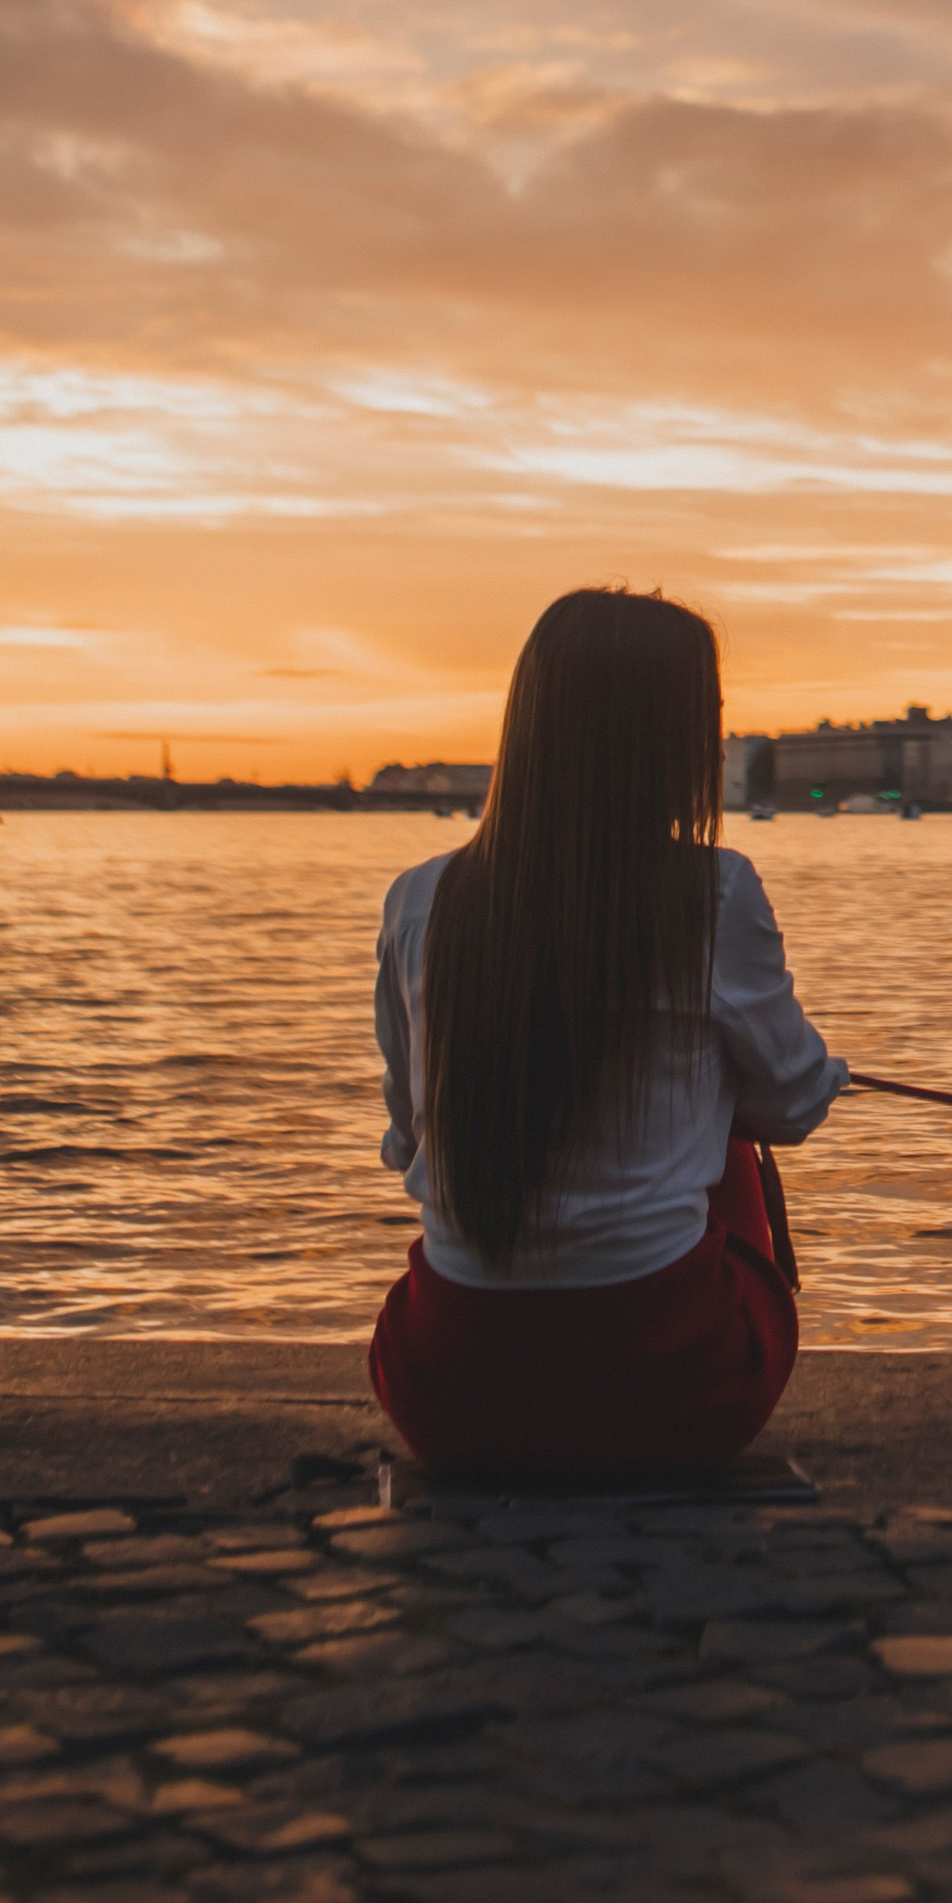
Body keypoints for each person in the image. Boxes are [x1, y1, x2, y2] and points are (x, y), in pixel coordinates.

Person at [367, 586, 846, 1488]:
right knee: (737, 1139)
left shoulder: (419, 899)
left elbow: (409, 1139)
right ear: (667, 740)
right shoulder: (716, 892)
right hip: (667, 1390)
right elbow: (793, 1106)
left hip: (447, 1391)